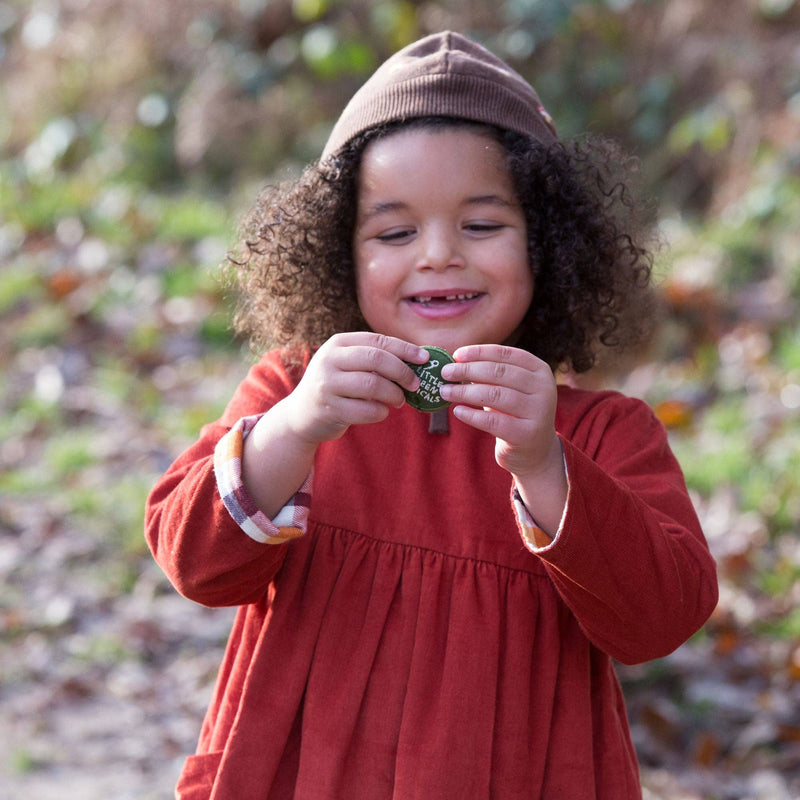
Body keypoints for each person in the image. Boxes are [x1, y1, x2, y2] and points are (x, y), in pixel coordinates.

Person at [145, 31, 718, 800]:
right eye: (395, 232)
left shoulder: (602, 433)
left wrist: (546, 463)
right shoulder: (294, 392)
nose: (440, 254)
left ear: (550, 248)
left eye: (481, 225)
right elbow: (196, 565)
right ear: (336, 254)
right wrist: (294, 428)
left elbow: (656, 623)